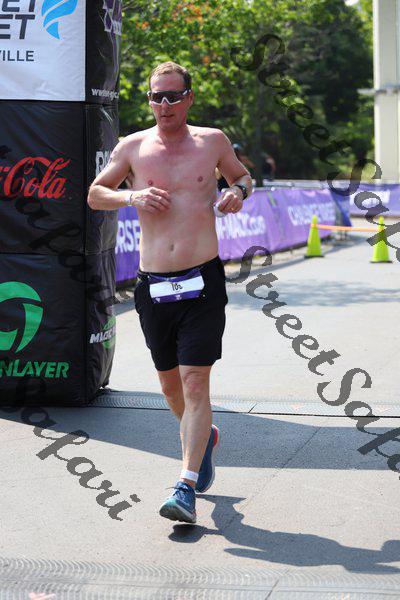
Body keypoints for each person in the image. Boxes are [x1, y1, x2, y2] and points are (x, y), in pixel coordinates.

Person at [87, 61, 253, 524]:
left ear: (188, 98)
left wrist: (238, 193)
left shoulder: (212, 141)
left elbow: (243, 177)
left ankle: (185, 485)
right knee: (169, 385)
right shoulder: (133, 147)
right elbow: (95, 194)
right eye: (156, 97)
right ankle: (204, 438)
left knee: (195, 380)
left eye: (172, 96)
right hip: (154, 284)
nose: (164, 105)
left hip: (202, 282)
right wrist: (132, 197)